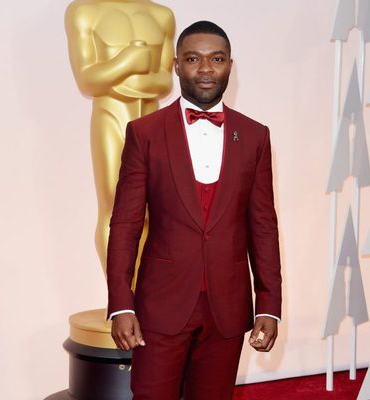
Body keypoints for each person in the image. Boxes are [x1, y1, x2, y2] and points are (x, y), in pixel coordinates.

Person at [107, 20, 282, 400]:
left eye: (216, 59)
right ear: (176, 65)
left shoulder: (255, 136)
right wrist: (120, 303)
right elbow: (125, 225)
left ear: (230, 66)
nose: (205, 69)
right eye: (193, 59)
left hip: (228, 308)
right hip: (161, 306)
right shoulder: (145, 133)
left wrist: (269, 304)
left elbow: (264, 226)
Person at [65, 0, 175, 276]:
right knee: (116, 205)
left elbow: (164, 82)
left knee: (152, 208)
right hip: (110, 116)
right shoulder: (84, 11)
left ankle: (142, 296)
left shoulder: (161, 15)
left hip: (152, 122)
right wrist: (127, 62)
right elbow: (88, 80)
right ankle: (121, 299)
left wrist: (122, 77)